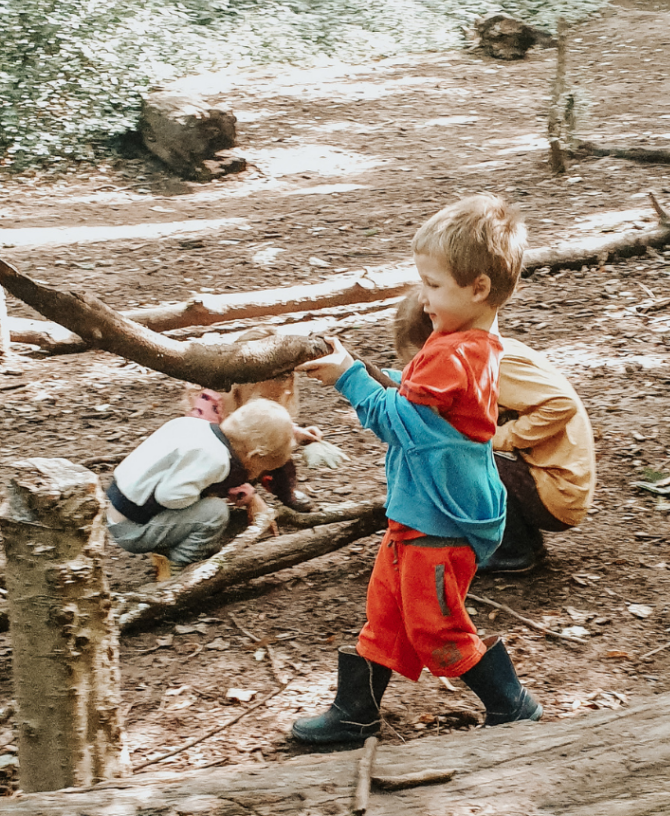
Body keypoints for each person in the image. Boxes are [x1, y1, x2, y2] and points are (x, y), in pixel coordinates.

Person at [290, 194, 541, 747]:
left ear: (478, 287)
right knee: (387, 611)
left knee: (434, 625)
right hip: (418, 509)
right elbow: (412, 409)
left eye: (433, 284)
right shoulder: (463, 344)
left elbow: (401, 422)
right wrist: (353, 369)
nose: (422, 298)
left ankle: (511, 704)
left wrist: (347, 376)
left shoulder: (452, 355)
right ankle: (355, 710)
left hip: (442, 518)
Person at [394, 287, 596, 574]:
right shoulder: (483, 352)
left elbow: (561, 404)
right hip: (544, 480)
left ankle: (513, 551)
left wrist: (503, 438)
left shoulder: (495, 363)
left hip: (559, 492)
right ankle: (525, 541)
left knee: (462, 457)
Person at [106, 398, 294, 580]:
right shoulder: (216, 460)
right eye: (261, 469)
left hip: (118, 511)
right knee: (215, 512)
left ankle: (167, 546)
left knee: (205, 506)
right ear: (253, 456)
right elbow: (169, 496)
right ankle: (178, 568)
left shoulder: (194, 426)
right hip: (133, 530)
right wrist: (208, 494)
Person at [183, 375, 318, 513]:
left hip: (247, 457)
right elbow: (204, 456)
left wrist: (294, 433)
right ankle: (208, 502)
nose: (287, 392)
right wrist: (251, 498)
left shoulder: (261, 396)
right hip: (212, 464)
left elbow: (267, 424)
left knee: (278, 446)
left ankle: (286, 491)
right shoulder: (211, 403)